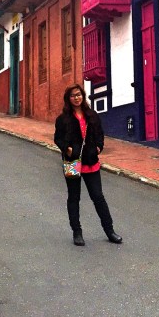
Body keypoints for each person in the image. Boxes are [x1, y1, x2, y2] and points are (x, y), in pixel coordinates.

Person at [54, 84, 122, 246]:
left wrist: (98, 147)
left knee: (98, 197)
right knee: (74, 197)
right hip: (73, 163)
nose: (76, 98)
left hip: (91, 162)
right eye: (72, 95)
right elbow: (58, 138)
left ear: (83, 96)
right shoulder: (63, 119)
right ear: (68, 99)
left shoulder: (92, 115)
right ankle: (77, 232)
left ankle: (110, 230)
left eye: (78, 94)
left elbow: (100, 134)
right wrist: (67, 149)